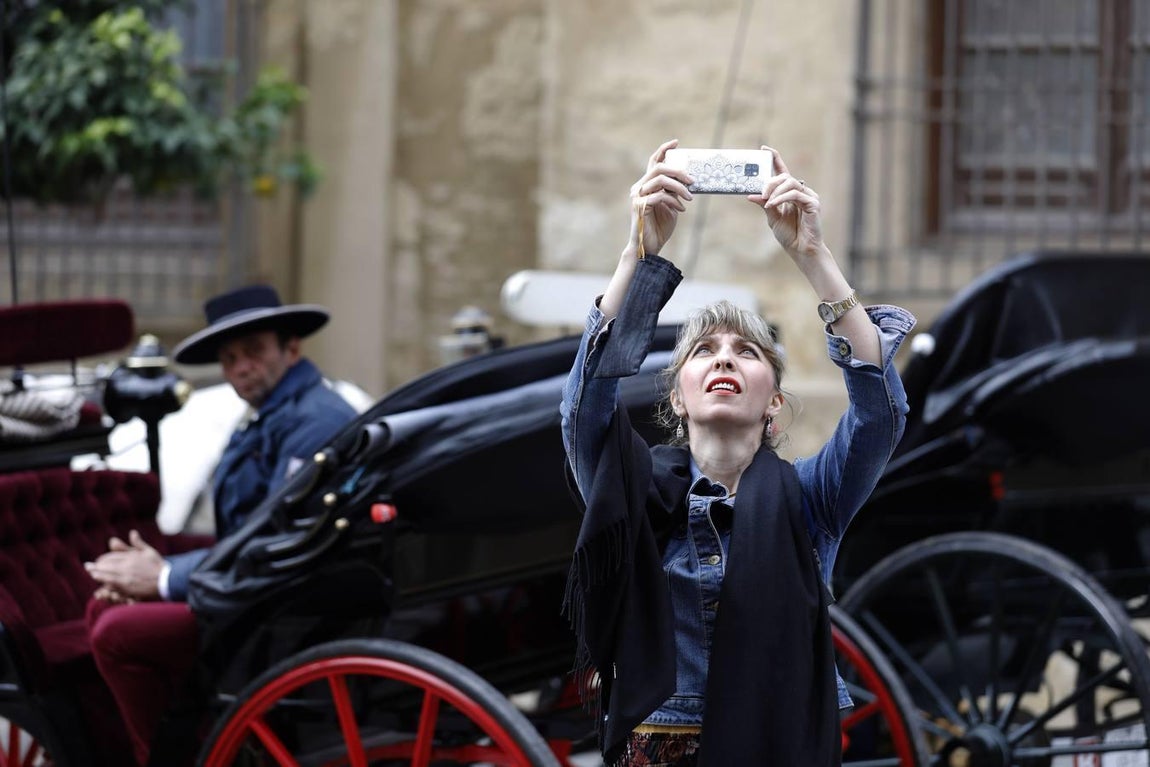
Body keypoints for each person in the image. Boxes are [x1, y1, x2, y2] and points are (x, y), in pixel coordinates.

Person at [560, 140, 915, 766]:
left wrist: (812, 254)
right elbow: (585, 403)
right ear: (677, 397)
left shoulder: (812, 499)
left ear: (773, 402)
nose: (725, 356)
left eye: (746, 352)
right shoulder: (628, 489)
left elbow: (879, 414)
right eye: (705, 351)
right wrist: (638, 253)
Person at [83, 285, 358, 766]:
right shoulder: (268, 418)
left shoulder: (314, 422)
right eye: (229, 359)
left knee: (117, 634)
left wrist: (169, 577)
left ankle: (177, 756)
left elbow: (278, 539)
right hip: (254, 590)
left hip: (279, 609)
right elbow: (249, 530)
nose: (240, 369)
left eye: (254, 351)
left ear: (291, 348)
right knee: (102, 608)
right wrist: (161, 571)